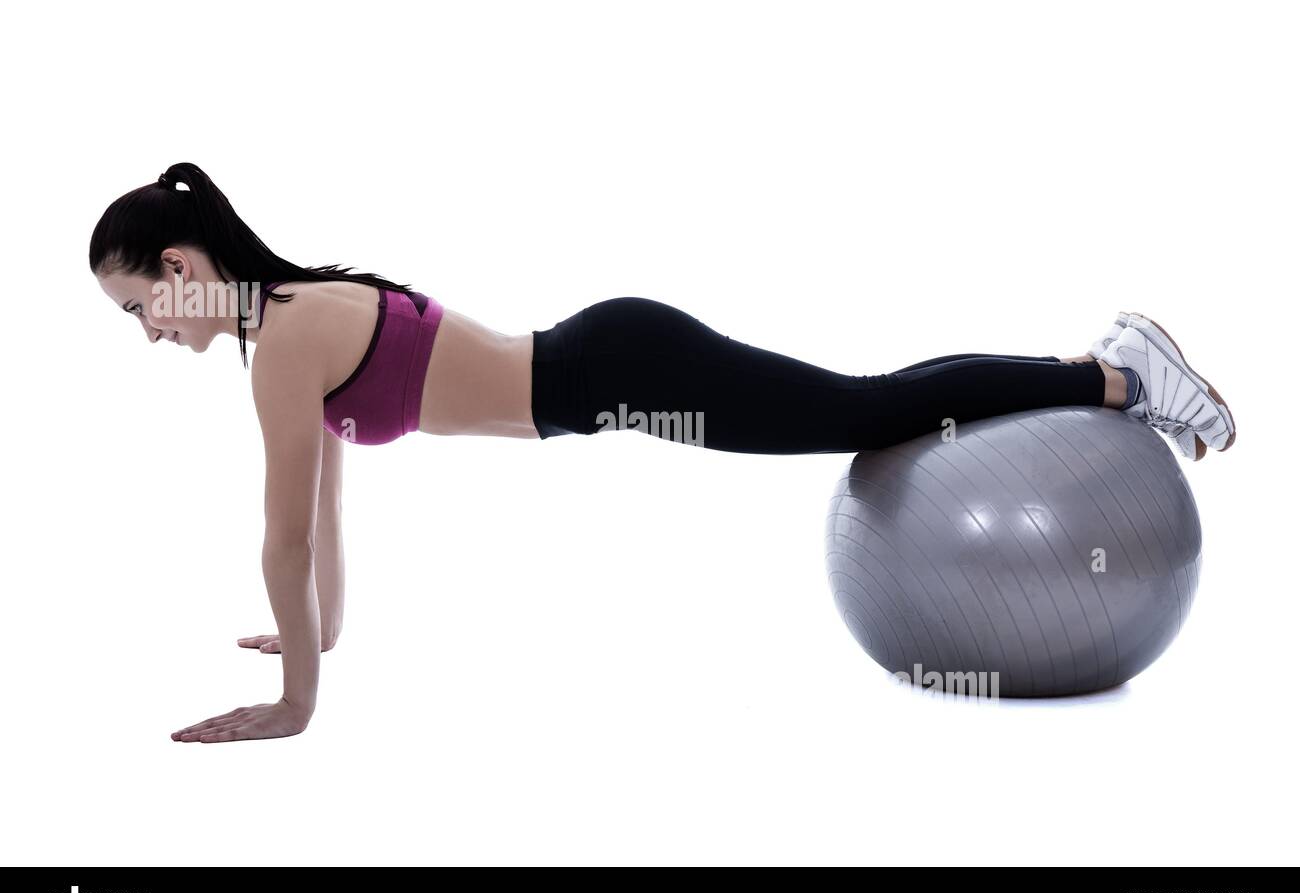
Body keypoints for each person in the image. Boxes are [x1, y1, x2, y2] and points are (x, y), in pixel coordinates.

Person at [90, 162, 1235, 742]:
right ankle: (1103, 371)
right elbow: (325, 513)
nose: (149, 332)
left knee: (869, 408)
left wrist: (296, 701)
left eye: (141, 305)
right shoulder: (284, 327)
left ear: (183, 268)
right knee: (866, 406)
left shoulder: (282, 338)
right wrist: (321, 636)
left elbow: (281, 532)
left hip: (624, 368)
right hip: (615, 365)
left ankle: (1112, 372)